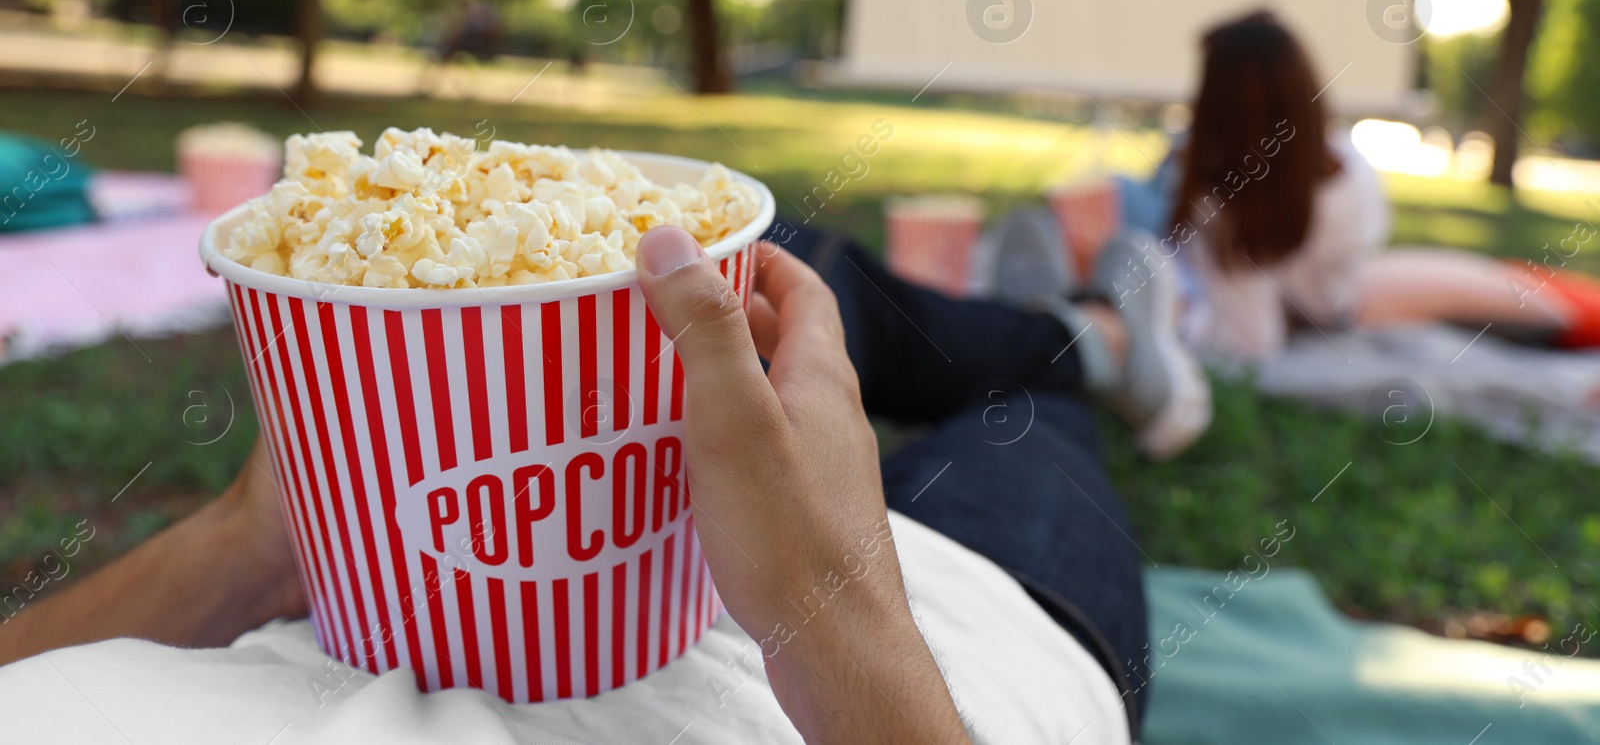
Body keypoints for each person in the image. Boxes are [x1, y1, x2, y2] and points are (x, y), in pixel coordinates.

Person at [0, 220, 1201, 744]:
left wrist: (255, 539)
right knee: (1023, 413)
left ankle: (1058, 321)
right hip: (965, 635)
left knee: (797, 274)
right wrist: (827, 602)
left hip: (453, 563)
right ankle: (1083, 341)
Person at [1144, 10, 1568, 361]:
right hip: (1327, 292)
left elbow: (1248, 336)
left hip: (1224, 274)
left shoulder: (1224, 206)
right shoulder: (1346, 171)